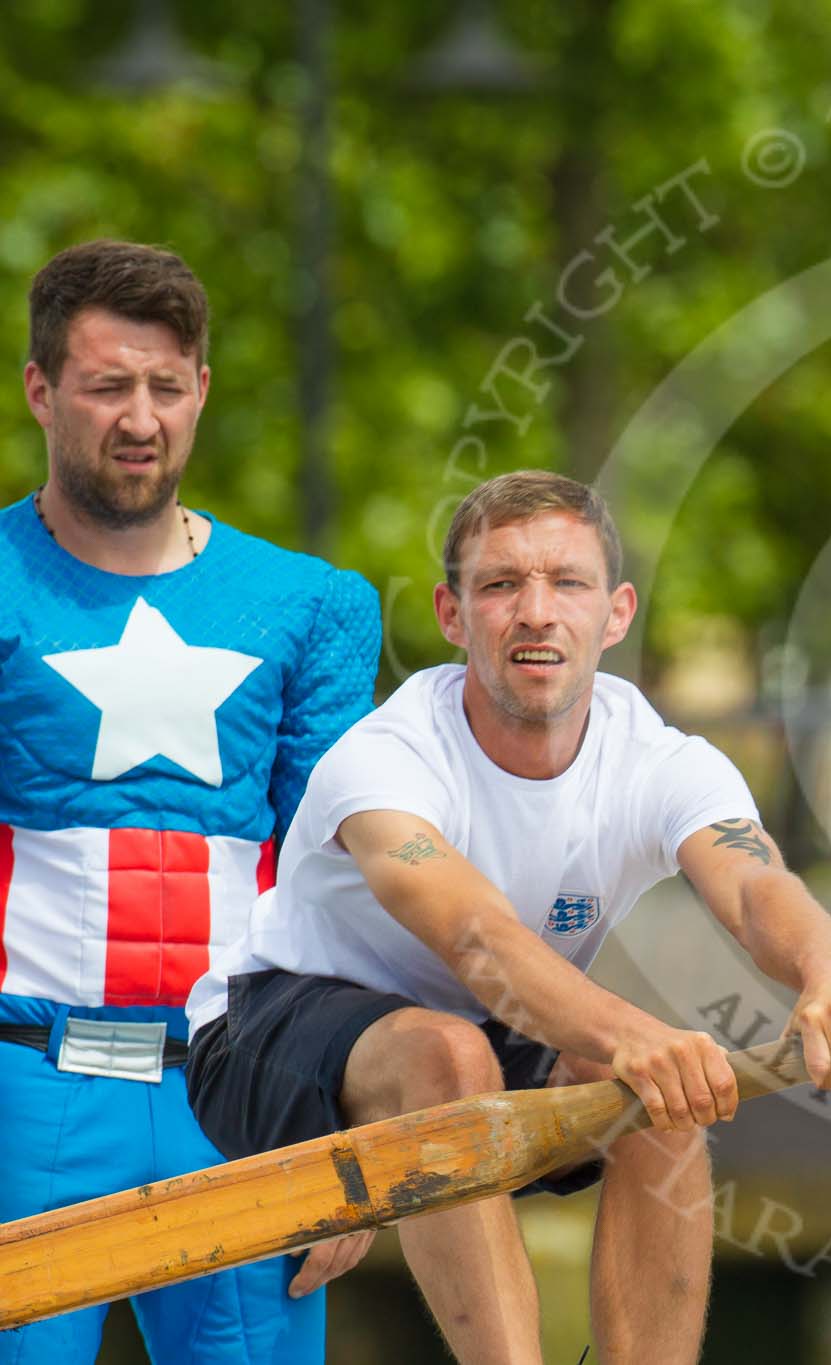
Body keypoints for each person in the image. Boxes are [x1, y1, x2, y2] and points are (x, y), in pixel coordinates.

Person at [185, 470, 831, 1364]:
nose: (536, 611)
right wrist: (639, 1032)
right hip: (264, 1028)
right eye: (500, 585)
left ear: (616, 612)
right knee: (456, 1054)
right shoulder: (386, 758)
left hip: (483, 1029)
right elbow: (475, 938)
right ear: (452, 614)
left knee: (662, 1100)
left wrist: (830, 975)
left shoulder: (661, 760)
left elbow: (758, 886)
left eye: (567, 582)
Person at [0, 240, 379, 1362]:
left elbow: (342, 879)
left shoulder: (312, 606)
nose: (139, 417)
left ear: (202, 391)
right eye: (107, 385)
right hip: (28, 1088)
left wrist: (349, 1117)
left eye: (166, 387)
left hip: (245, 1094)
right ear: (40, 390)